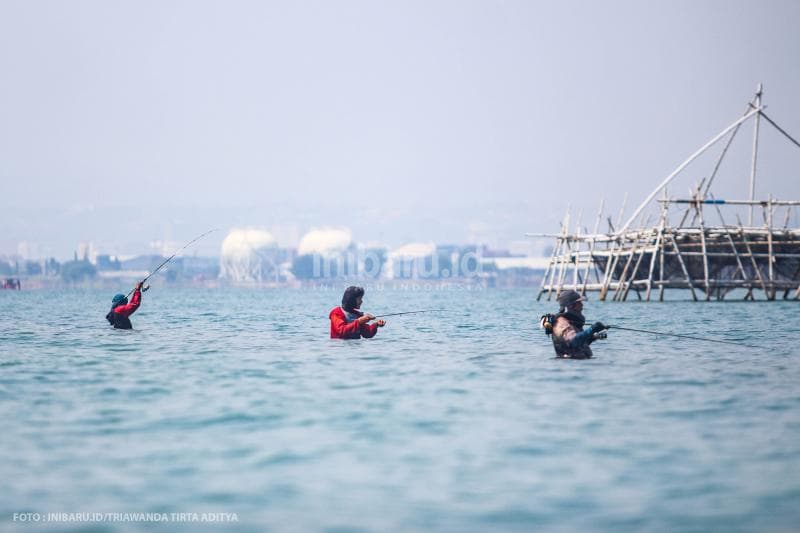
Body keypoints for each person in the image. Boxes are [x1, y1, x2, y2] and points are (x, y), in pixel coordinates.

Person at [540, 290, 607, 359]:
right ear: (571, 306)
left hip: (579, 362)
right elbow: (573, 342)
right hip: (571, 365)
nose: (582, 305)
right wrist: (591, 329)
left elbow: (580, 343)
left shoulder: (571, 322)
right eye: (579, 302)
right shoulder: (561, 323)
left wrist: (593, 337)